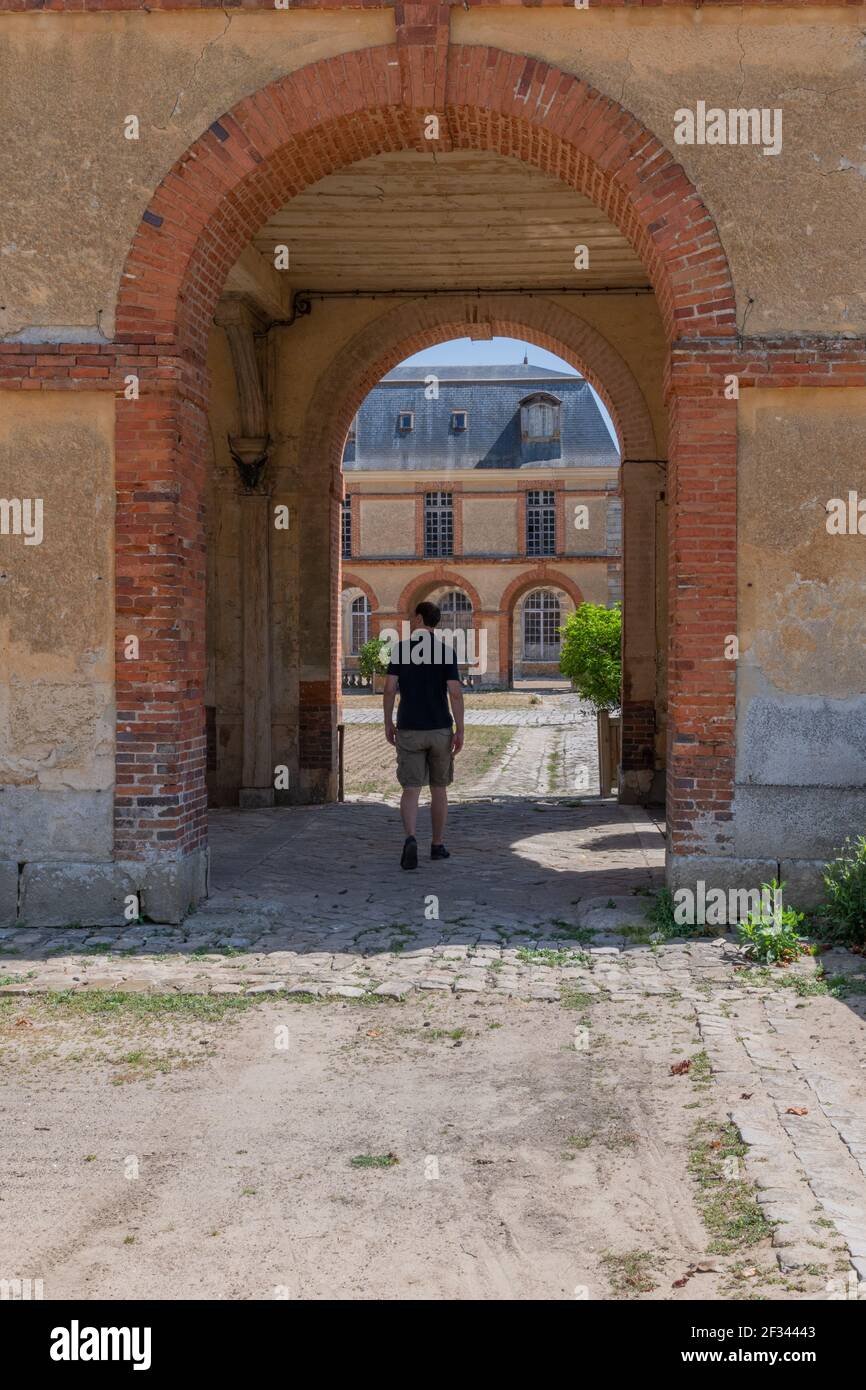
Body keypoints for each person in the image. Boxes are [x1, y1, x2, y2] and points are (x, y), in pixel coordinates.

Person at [383, 600, 465, 870]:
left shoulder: (401, 650)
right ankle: (437, 845)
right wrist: (460, 728)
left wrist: (388, 722)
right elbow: (454, 692)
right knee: (438, 788)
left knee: (410, 788)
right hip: (440, 728)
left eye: (412, 616)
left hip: (409, 727)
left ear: (419, 619)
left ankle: (410, 838)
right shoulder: (446, 652)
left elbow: (389, 689)